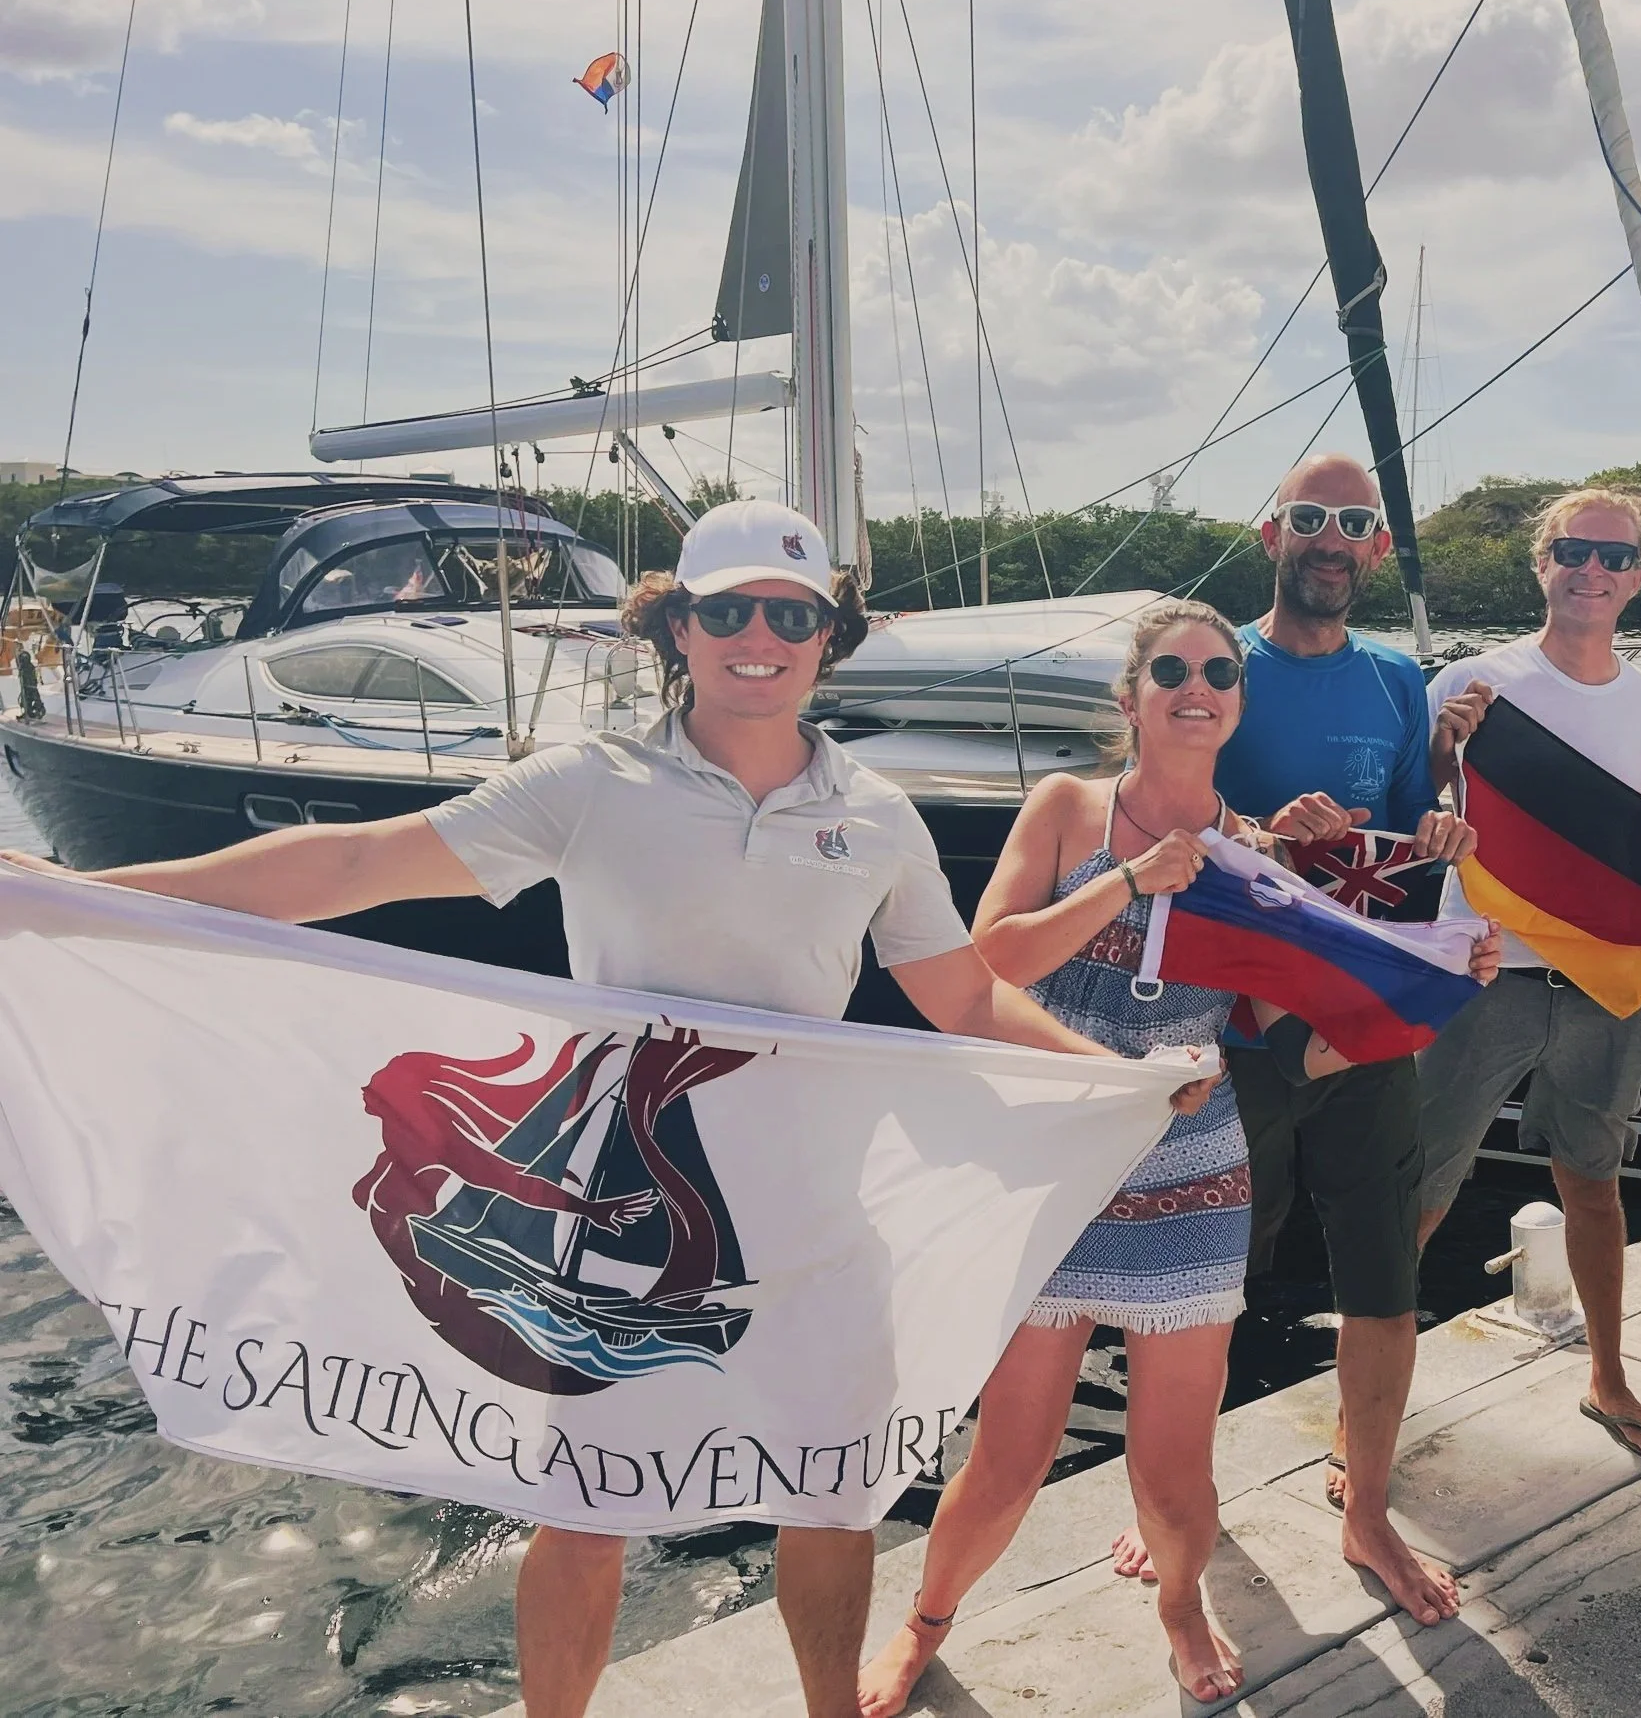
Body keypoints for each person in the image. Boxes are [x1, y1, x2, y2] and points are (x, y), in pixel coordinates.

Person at [5, 501, 1185, 1718]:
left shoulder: (878, 816)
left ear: (830, 635)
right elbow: (350, 864)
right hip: (608, 1215)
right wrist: (93, 898)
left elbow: (962, 997)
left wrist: (1121, 1083)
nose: (757, 637)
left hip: (823, 1203)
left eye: (790, 614)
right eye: (726, 610)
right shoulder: (589, 784)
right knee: (583, 1507)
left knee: (828, 1492)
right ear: (678, 625)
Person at [859, 600, 1499, 1710]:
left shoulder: (1250, 854)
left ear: (1235, 704)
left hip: (1188, 1164)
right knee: (1010, 1457)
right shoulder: (1068, 806)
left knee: (1173, 1465)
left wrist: (1437, 980)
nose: (1195, 686)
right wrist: (1130, 879)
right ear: (1133, 696)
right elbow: (988, 962)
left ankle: (1178, 1602)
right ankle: (925, 1622)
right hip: (1049, 1161)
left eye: (1216, 672)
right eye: (1170, 669)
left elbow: (1288, 1028)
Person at [1163, 451, 1476, 1629]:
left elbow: (1391, 865)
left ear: (1379, 548)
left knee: (1383, 1277)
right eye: (1311, 517)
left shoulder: (1398, 682)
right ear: (1271, 532)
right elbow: (1156, 804)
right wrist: (1255, 825)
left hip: (1358, 1032)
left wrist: (1435, 845)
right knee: (1208, 1286)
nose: (1332, 538)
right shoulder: (1215, 662)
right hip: (1231, 1034)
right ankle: (1183, 1500)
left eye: (1355, 521)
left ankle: (1368, 1510)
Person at [1418, 485, 1641, 1467]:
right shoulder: (1478, 681)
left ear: (1637, 579)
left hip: (1602, 988)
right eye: (1573, 551)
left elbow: (1640, 846)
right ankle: (1368, 1407)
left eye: (1613, 557)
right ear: (1541, 565)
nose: (1592, 571)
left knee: (1597, 1187)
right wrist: (1449, 745)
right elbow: (1425, 804)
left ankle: (1606, 1376)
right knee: (1420, 1191)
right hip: (1484, 971)